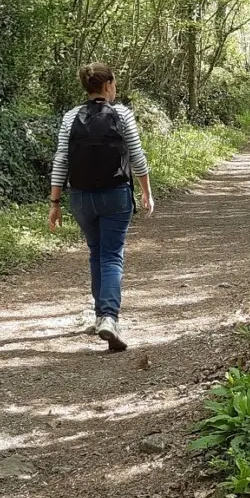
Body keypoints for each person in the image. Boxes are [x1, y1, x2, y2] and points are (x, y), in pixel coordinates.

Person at [48, 63, 155, 352]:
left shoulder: (71, 117)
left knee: (96, 253)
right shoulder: (122, 114)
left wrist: (55, 202)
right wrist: (146, 192)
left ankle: (100, 316)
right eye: (115, 83)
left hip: (81, 197)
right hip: (116, 195)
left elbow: (61, 161)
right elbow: (137, 156)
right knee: (111, 256)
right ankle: (109, 317)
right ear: (107, 85)